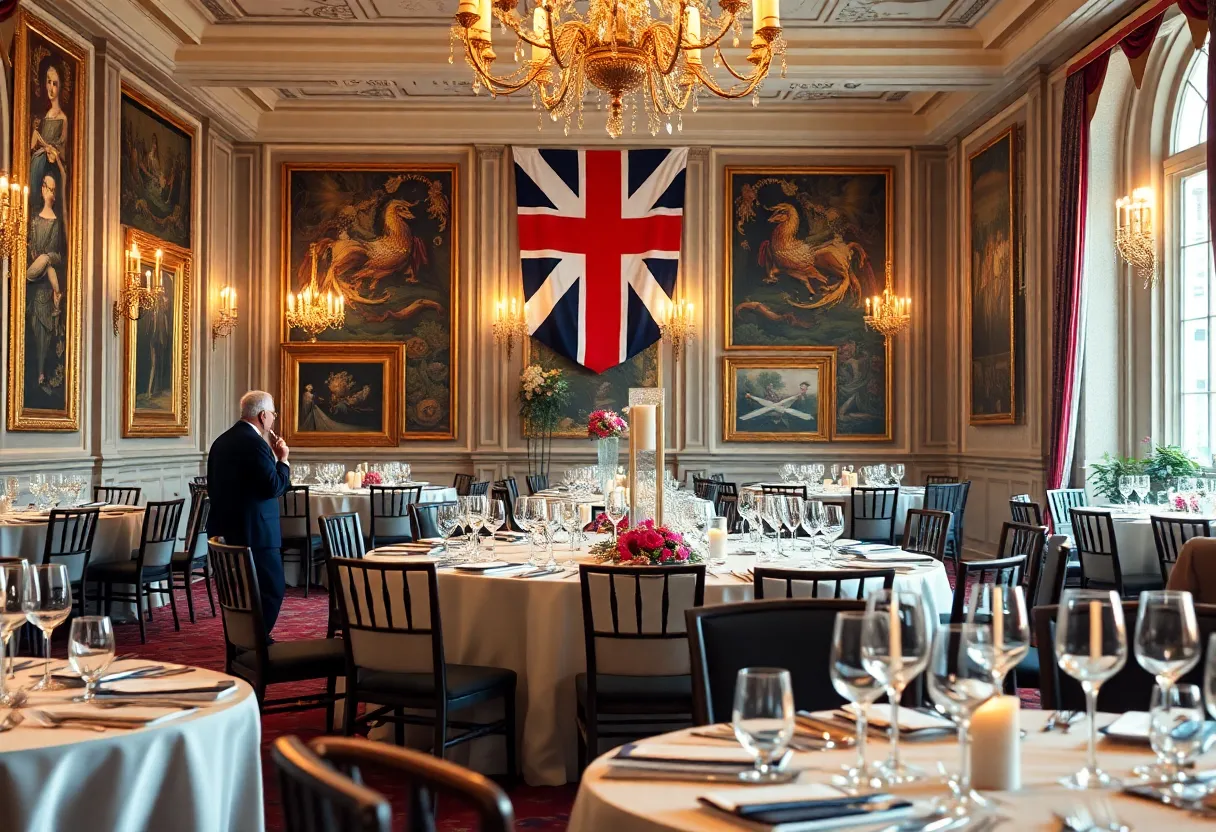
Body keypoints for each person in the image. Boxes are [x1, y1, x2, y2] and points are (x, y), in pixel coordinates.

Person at [206, 390, 292, 636]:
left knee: (235, 592)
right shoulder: (255, 445)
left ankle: (240, 637)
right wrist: (283, 460)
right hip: (256, 532)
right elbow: (274, 487)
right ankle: (256, 640)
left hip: (224, 528)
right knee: (272, 588)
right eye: (273, 414)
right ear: (263, 415)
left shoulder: (221, 441)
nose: (273, 419)